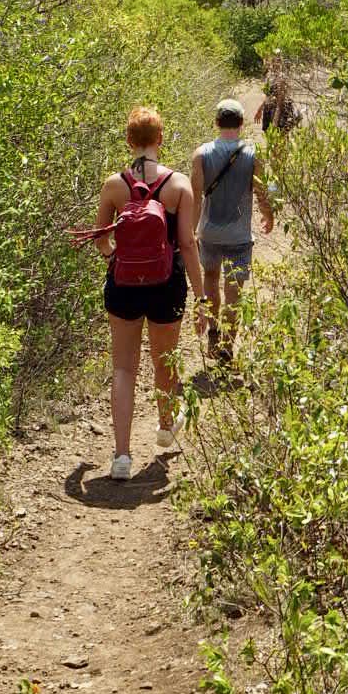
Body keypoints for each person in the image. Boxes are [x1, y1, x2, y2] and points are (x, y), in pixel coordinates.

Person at [88, 105, 205, 482]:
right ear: (160, 139)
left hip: (123, 284)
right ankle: (165, 427)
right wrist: (201, 297)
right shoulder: (179, 185)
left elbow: (101, 237)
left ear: (128, 141)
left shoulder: (113, 185)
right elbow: (187, 244)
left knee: (123, 368)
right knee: (163, 360)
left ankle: (121, 457)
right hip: (166, 282)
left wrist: (114, 259)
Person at [191, 97, 275, 364]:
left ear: (217, 122)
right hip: (239, 237)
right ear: (240, 123)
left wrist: (191, 231)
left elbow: (195, 196)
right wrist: (268, 214)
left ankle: (214, 332)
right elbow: (261, 191)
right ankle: (228, 343)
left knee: (211, 281)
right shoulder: (252, 155)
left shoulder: (201, 154)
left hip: (209, 234)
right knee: (234, 292)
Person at [255, 52, 299, 139]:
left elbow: (281, 98)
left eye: (278, 60)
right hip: (269, 108)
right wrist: (260, 109)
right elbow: (268, 96)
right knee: (270, 136)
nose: (275, 63)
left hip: (280, 109)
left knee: (281, 136)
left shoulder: (282, 77)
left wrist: (276, 116)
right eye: (274, 60)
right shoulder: (269, 76)